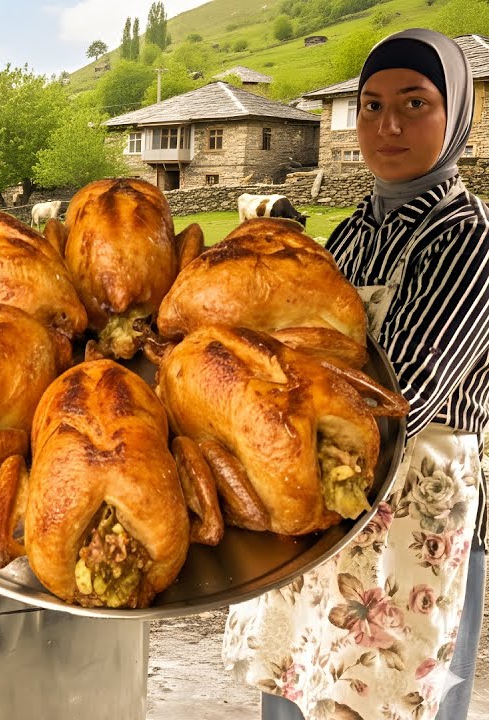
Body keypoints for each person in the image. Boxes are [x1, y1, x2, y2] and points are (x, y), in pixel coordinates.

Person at [223, 28, 488, 720]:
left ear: (456, 113)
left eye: (414, 103)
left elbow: (404, 398)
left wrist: (267, 405)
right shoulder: (352, 232)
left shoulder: (468, 238)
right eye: (370, 106)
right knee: (295, 685)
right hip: (319, 490)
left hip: (407, 511)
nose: (387, 125)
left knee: (377, 699)